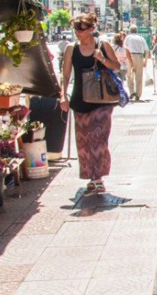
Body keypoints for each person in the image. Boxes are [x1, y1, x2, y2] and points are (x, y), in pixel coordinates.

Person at [59, 13, 121, 193]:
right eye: (76, 29)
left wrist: (101, 58)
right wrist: (63, 95)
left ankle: (98, 176)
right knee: (83, 140)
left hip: (102, 100)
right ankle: (90, 175)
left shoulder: (103, 45)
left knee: (98, 137)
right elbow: (65, 74)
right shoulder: (71, 48)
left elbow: (116, 66)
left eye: (81, 29)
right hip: (80, 99)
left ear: (91, 29)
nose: (78, 33)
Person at [124, 25, 150, 101]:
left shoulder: (128, 38)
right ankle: (138, 94)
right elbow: (147, 50)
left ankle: (132, 92)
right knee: (139, 76)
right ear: (137, 31)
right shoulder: (141, 38)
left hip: (130, 55)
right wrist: (145, 61)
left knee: (130, 75)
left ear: (130, 31)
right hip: (140, 56)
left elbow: (125, 48)